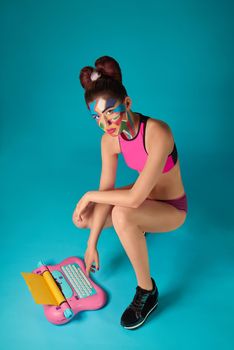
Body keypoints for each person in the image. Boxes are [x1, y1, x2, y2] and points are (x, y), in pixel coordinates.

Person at [72, 55, 188, 330]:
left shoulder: (158, 131)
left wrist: (89, 195)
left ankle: (147, 291)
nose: (105, 121)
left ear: (127, 103)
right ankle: (137, 227)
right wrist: (91, 244)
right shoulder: (109, 141)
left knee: (123, 213)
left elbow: (132, 198)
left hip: (171, 207)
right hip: (142, 196)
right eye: (97, 116)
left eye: (110, 111)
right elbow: (106, 189)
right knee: (84, 219)